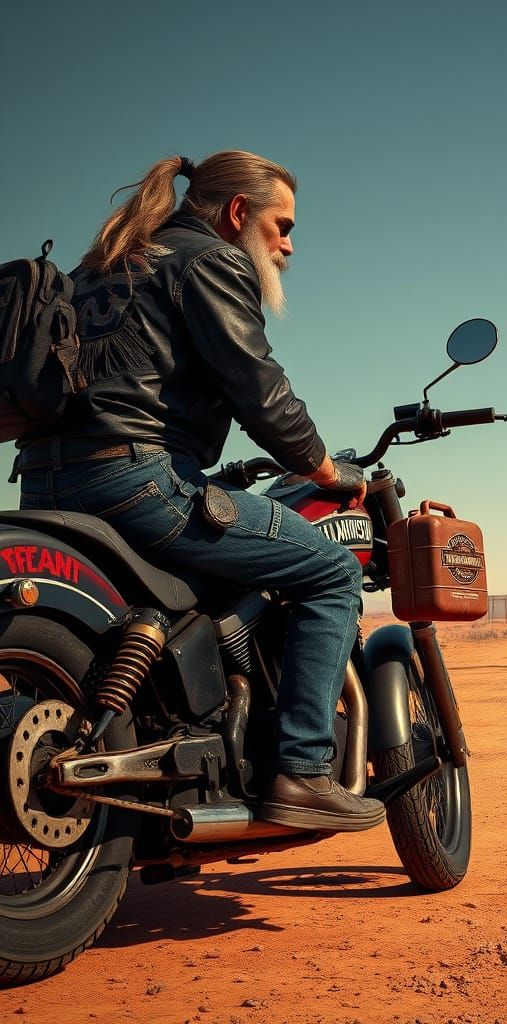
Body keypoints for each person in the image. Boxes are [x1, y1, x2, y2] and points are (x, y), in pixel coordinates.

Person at [13, 151, 385, 833]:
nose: (289, 244)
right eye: (282, 225)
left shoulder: (103, 264)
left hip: (44, 485)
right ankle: (302, 771)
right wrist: (331, 471)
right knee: (331, 574)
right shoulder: (209, 259)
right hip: (135, 482)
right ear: (239, 213)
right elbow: (260, 391)